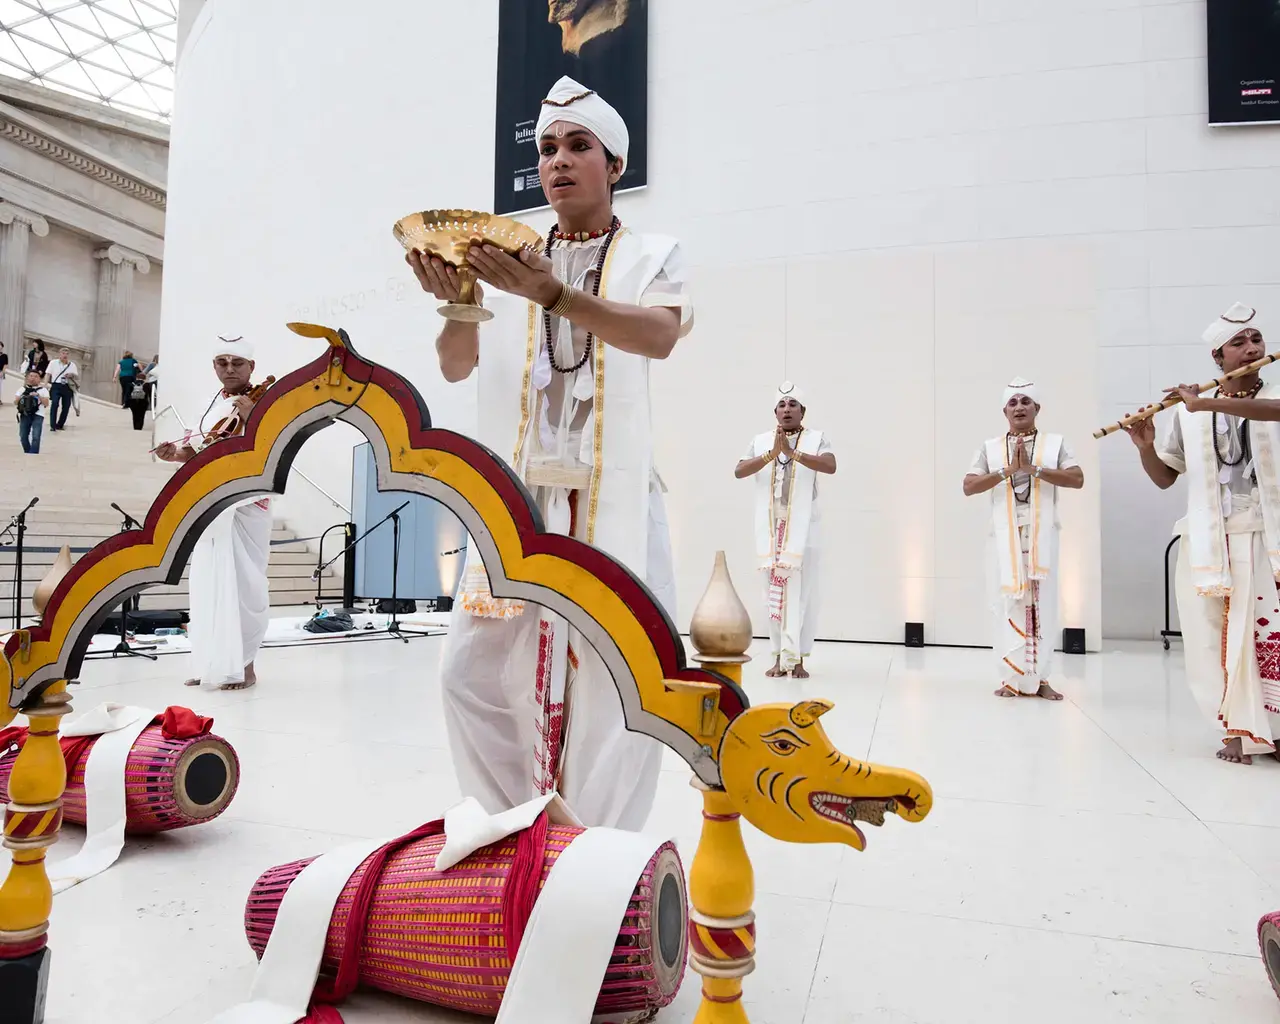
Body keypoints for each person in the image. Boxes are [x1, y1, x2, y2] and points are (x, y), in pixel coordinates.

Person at [407, 76, 691, 831]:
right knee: (467, 671)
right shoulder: (506, 253)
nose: (557, 162)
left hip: (615, 500)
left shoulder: (651, 254)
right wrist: (461, 299)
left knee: (619, 679)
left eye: (577, 147)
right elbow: (456, 365)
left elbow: (658, 336)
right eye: (546, 150)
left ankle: (596, 845)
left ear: (615, 164)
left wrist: (555, 296)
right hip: (521, 506)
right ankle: (516, 828)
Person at [1125, 302, 1280, 764]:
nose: (1252, 347)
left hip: (1266, 535)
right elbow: (1164, 477)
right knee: (1209, 634)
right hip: (1208, 539)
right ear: (1218, 357)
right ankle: (1233, 729)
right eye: (1239, 343)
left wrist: (1207, 401)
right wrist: (1145, 446)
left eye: (1256, 339)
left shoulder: (1270, 393)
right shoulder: (1188, 415)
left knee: (1266, 633)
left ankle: (1272, 725)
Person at [154, 337, 272, 691]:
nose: (230, 369)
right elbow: (193, 451)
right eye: (222, 362)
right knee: (206, 583)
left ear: (251, 367)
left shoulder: (266, 401)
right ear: (215, 368)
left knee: (243, 585)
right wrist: (172, 453)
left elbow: (272, 446)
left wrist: (255, 417)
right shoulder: (209, 406)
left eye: (237, 362)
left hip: (246, 504)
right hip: (211, 503)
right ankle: (209, 661)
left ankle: (245, 665)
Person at [963, 378, 1084, 701]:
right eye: (1013, 403)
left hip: (1042, 534)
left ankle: (1041, 678)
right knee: (1006, 602)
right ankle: (1010, 678)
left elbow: (1077, 478)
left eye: (1025, 401)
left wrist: (1033, 470)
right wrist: (1007, 471)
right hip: (1003, 537)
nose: (1019, 407)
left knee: (1043, 603)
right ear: (1004, 410)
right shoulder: (989, 447)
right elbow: (969, 486)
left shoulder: (1055, 444)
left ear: (1037, 408)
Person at [734, 382, 836, 678]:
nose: (787, 409)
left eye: (793, 404)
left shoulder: (817, 438)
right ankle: (779, 657)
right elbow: (739, 470)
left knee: (803, 594)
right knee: (772, 593)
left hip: (804, 529)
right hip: (771, 528)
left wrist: (794, 454)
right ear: (775, 412)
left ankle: (798, 659)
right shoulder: (762, 439)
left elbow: (830, 465)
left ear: (803, 411)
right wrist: (772, 454)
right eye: (782, 405)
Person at [15, 369, 50, 454]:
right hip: (25, 414)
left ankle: (33, 454)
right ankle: (27, 451)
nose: (33, 378)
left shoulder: (43, 390)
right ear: (27, 378)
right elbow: (15, 402)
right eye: (31, 376)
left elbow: (46, 403)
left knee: (36, 436)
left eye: (36, 376)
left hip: (38, 414)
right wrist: (25, 395)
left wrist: (38, 396)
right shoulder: (22, 389)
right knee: (23, 436)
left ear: (39, 379)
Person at [45, 347, 79, 432]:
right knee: (55, 403)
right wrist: (45, 385)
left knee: (66, 406)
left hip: (67, 386)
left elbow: (77, 376)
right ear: (59, 354)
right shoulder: (53, 363)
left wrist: (71, 375)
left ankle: (60, 424)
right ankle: (52, 425)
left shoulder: (72, 365)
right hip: (56, 385)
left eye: (67, 354)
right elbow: (48, 374)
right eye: (63, 353)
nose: (65, 355)